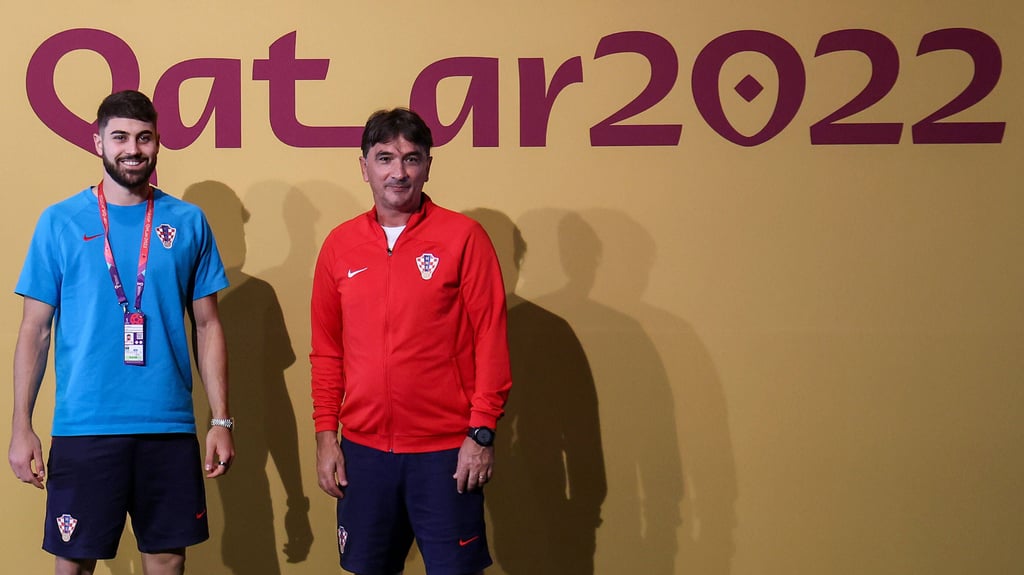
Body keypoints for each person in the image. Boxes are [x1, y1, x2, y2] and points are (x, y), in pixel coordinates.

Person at [8, 90, 234, 575]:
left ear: (158, 143)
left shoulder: (188, 221)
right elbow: (35, 331)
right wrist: (21, 425)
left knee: (168, 561)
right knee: (73, 564)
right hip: (85, 426)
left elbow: (209, 325)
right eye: (120, 137)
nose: (133, 149)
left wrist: (221, 420)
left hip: (167, 427)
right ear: (98, 143)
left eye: (144, 137)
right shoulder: (59, 222)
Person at [311, 108, 512, 575]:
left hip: (446, 452)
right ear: (364, 167)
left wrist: (481, 432)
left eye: (411, 159)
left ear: (427, 165)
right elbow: (327, 352)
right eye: (384, 158)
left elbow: (491, 340)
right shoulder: (339, 247)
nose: (398, 173)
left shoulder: (464, 238)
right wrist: (327, 439)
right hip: (363, 452)